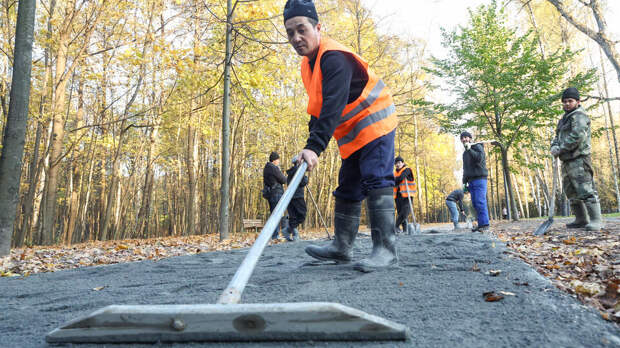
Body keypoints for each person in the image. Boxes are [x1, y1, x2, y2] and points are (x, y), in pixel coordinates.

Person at [283, 0, 399, 272]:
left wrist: (315, 147)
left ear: (318, 27)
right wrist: (309, 147)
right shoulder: (308, 65)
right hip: (353, 133)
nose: (296, 38)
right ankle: (342, 247)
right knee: (348, 184)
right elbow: (317, 108)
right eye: (290, 33)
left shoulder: (334, 58)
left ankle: (386, 252)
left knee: (375, 177)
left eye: (302, 30)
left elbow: (332, 106)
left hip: (376, 122)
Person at [550, 87, 603, 231]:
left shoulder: (579, 115)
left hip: (579, 159)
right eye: (564, 101)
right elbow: (557, 137)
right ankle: (581, 219)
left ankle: (596, 220)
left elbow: (577, 136)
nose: (567, 104)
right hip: (566, 160)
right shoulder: (563, 119)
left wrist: (560, 148)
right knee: (571, 191)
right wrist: (554, 146)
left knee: (585, 189)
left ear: (578, 102)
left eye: (570, 101)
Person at [460, 131, 490, 232]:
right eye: (462, 138)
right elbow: (465, 168)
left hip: (480, 179)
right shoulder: (464, 154)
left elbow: (479, 159)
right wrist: (464, 182)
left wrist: (470, 150)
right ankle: (480, 225)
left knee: (480, 202)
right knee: (475, 203)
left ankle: (485, 224)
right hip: (471, 181)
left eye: (466, 137)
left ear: (470, 138)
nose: (464, 139)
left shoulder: (477, 147)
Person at [283, 156, 309, 241]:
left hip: (290, 197)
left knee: (293, 216)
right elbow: (303, 182)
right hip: (297, 196)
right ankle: (288, 230)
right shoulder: (298, 171)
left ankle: (292, 233)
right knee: (302, 215)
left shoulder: (290, 173)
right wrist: (306, 178)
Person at [263, 151, 287, 239]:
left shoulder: (267, 167)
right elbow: (283, 179)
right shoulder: (273, 168)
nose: (278, 161)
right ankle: (275, 235)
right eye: (278, 159)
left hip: (271, 194)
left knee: (274, 214)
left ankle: (274, 235)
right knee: (276, 214)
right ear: (274, 160)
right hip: (276, 193)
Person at [393, 156, 415, 234]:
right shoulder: (395, 173)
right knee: (400, 213)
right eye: (396, 163)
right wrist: (396, 180)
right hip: (398, 196)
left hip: (407, 195)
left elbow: (400, 178)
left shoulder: (407, 170)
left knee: (405, 212)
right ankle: (405, 230)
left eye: (399, 163)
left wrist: (396, 180)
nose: (397, 165)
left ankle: (395, 226)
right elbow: (393, 181)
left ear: (403, 163)